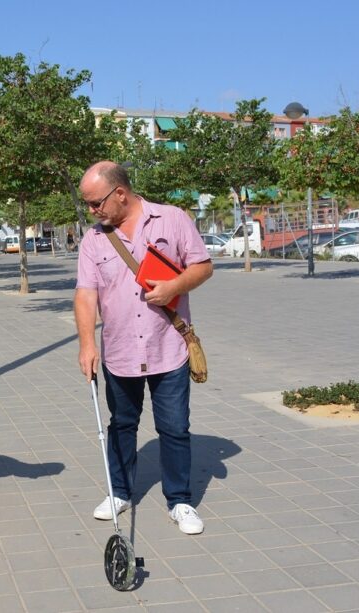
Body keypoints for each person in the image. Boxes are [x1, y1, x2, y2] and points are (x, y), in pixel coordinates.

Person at [74, 161, 213, 535]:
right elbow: (86, 295)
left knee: (174, 428)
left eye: (95, 203)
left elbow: (203, 266)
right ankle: (120, 492)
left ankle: (180, 500)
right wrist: (87, 344)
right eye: (87, 205)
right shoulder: (94, 239)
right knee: (121, 425)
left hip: (167, 347)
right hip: (119, 352)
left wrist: (175, 287)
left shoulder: (172, 219)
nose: (92, 211)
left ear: (120, 193)